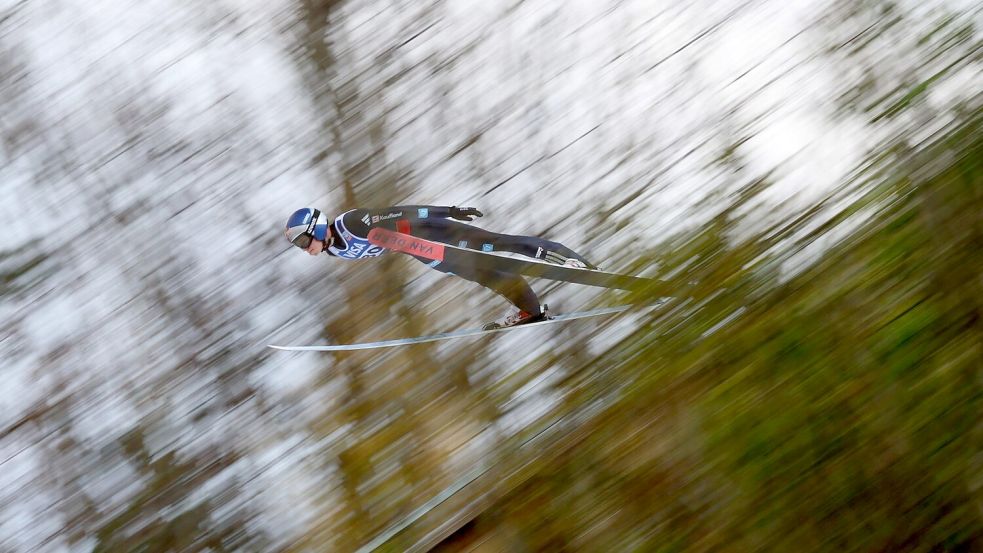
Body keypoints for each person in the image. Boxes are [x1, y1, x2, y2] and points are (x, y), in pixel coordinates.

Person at [284, 205, 597, 328]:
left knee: (499, 245)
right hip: (425, 253)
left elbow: (399, 212)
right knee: (490, 275)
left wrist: (449, 212)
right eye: (299, 246)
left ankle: (565, 259)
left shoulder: (352, 222)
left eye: (302, 242)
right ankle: (531, 311)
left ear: (318, 226)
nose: (305, 250)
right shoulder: (336, 251)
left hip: (433, 233)